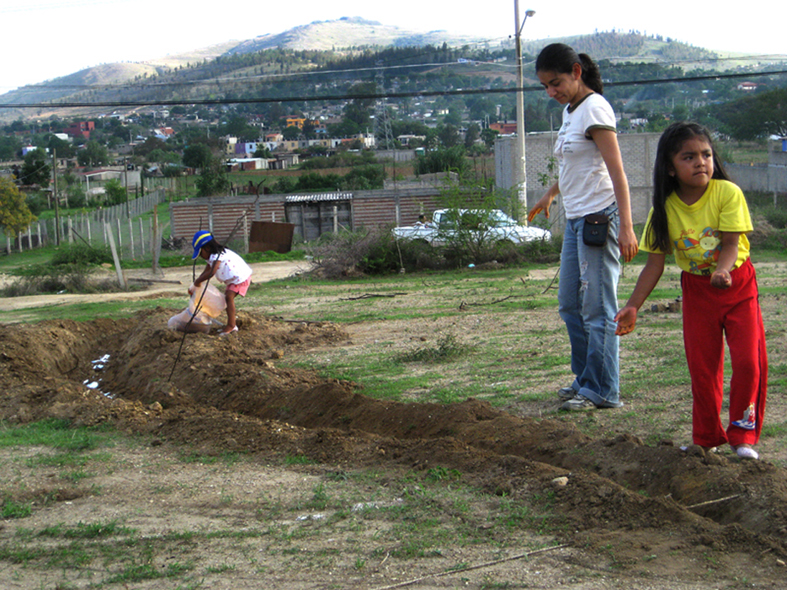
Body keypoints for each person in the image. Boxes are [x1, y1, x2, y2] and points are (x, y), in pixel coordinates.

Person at [615, 122, 767, 460]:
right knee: (703, 366)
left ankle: (743, 435)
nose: (701, 162)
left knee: (748, 362)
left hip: (737, 285)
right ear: (670, 168)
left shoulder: (727, 193)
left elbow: (731, 243)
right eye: (689, 157)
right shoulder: (663, 211)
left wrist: (723, 271)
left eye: (706, 154)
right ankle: (707, 437)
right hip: (698, 292)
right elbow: (654, 265)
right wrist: (633, 306)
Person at [528, 43, 638, 411]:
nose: (551, 93)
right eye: (545, 86)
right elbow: (573, 163)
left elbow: (617, 170)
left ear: (576, 72)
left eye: (555, 83)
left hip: (599, 218)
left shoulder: (595, 108)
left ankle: (604, 390)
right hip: (576, 219)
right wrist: (549, 195)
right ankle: (585, 379)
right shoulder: (571, 111)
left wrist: (626, 226)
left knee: (597, 308)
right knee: (569, 306)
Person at [189, 230, 253, 336]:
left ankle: (232, 325)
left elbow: (211, 272)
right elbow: (207, 269)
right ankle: (231, 324)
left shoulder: (218, 255)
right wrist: (196, 283)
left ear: (207, 248)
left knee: (228, 298)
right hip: (234, 279)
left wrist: (197, 281)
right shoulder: (212, 256)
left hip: (241, 278)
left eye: (200, 253)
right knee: (227, 298)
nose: (200, 256)